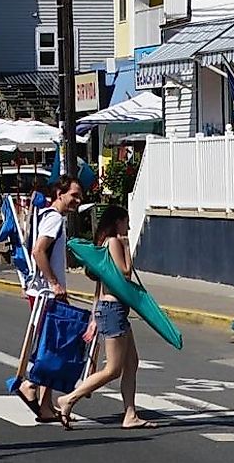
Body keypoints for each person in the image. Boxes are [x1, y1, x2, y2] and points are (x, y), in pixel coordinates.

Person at [62, 203, 158, 429]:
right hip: (113, 311)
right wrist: (126, 246)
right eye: (126, 222)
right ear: (117, 222)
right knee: (113, 369)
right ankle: (69, 398)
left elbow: (102, 283)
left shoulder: (105, 244)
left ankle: (130, 414)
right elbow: (124, 272)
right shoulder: (114, 242)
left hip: (112, 310)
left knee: (132, 362)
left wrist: (95, 316)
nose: (129, 226)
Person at [13, 176, 86, 423]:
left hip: (43, 292)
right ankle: (31, 384)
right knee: (53, 347)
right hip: (46, 294)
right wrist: (54, 283)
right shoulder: (54, 218)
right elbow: (38, 250)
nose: (78, 200)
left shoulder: (47, 216)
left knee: (52, 347)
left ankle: (45, 407)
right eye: (74, 195)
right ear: (59, 193)